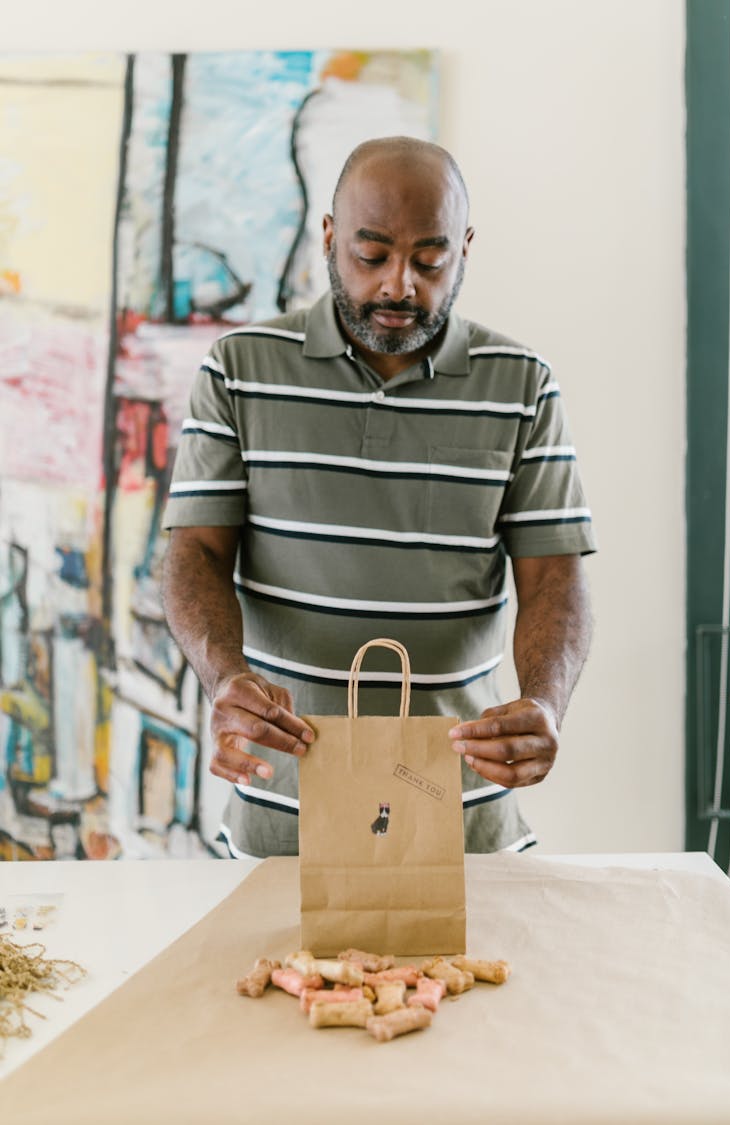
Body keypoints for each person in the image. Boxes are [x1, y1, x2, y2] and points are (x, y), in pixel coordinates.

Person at [161, 136, 595, 859]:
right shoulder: (239, 369)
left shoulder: (523, 384)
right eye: (372, 255)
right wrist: (223, 676)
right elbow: (194, 554)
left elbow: (555, 576)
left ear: (465, 247)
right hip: (282, 821)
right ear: (329, 238)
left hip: (466, 821)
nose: (400, 285)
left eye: (430, 259)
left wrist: (545, 702)